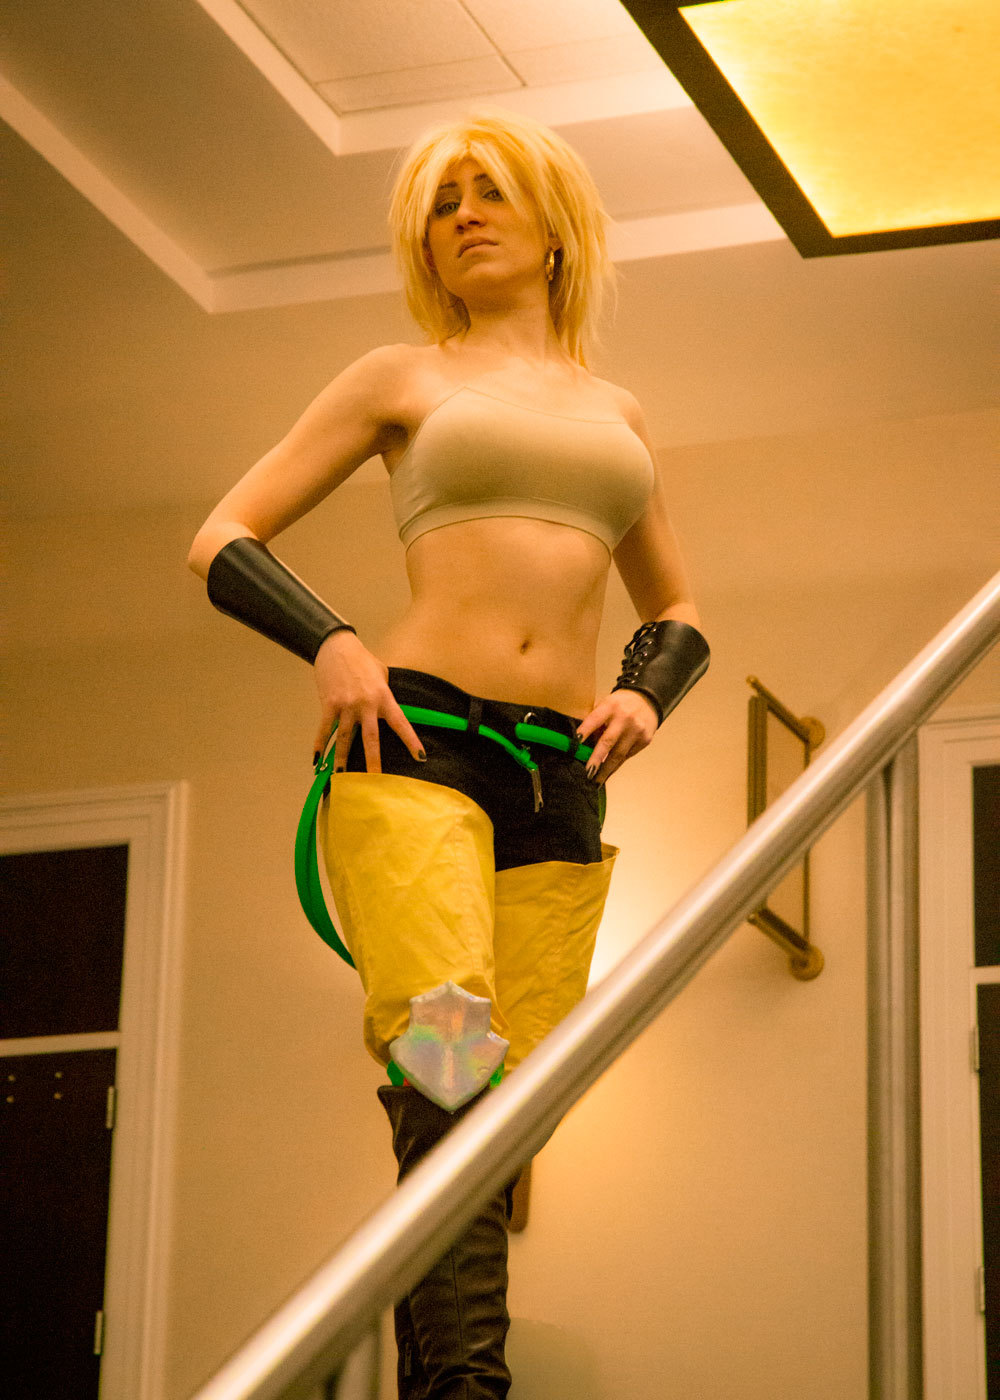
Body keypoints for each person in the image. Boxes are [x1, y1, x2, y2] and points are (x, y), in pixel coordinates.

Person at [188, 108, 708, 1400]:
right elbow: (222, 534)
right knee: (446, 1054)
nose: (463, 215)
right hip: (415, 743)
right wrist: (331, 642)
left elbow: (679, 607)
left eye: (489, 191)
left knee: (503, 1103)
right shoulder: (399, 378)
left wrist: (646, 694)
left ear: (554, 226)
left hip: (558, 777)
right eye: (440, 202)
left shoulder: (619, 413)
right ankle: (471, 1389)